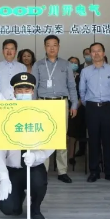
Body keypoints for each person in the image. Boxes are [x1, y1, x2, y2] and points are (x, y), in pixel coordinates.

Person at [0, 72, 53, 219]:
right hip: (13, 168)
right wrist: (3, 178)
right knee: (8, 208)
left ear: (32, 91)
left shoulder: (42, 112)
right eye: (19, 90)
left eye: (27, 90)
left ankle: (35, 209)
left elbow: (51, 142)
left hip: (33, 166)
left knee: (39, 183)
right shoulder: (5, 112)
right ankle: (18, 197)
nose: (23, 93)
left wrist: (37, 156)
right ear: (14, 92)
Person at [33, 35, 78, 184]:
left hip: (61, 103)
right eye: (48, 45)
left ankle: (62, 171)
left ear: (59, 46)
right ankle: (42, 170)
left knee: (61, 138)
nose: (52, 48)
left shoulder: (66, 64)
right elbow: (34, 87)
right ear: (44, 47)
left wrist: (74, 104)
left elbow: (71, 86)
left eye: (55, 45)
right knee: (43, 138)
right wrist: (33, 106)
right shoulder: (38, 64)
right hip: (43, 103)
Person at [80, 42, 110, 183]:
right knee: (93, 140)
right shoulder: (85, 71)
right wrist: (89, 104)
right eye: (93, 51)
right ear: (90, 54)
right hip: (91, 108)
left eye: (99, 51)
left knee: (108, 140)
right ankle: (94, 171)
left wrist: (108, 104)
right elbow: (82, 91)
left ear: (104, 53)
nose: (96, 53)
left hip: (108, 108)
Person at [0, 39, 27, 183]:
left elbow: (24, 86)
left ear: (16, 51)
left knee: (15, 139)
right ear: (2, 50)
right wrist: (4, 103)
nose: (9, 51)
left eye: (12, 49)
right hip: (1, 107)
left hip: (18, 107)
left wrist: (17, 103)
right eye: (6, 48)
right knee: (1, 141)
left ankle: (13, 170)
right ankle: (0, 172)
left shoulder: (22, 67)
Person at [66, 57, 86, 165]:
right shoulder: (62, 76)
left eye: (76, 63)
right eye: (71, 62)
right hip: (64, 106)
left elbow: (83, 92)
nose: (73, 64)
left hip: (78, 107)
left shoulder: (81, 76)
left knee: (73, 133)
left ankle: (71, 156)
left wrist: (75, 106)